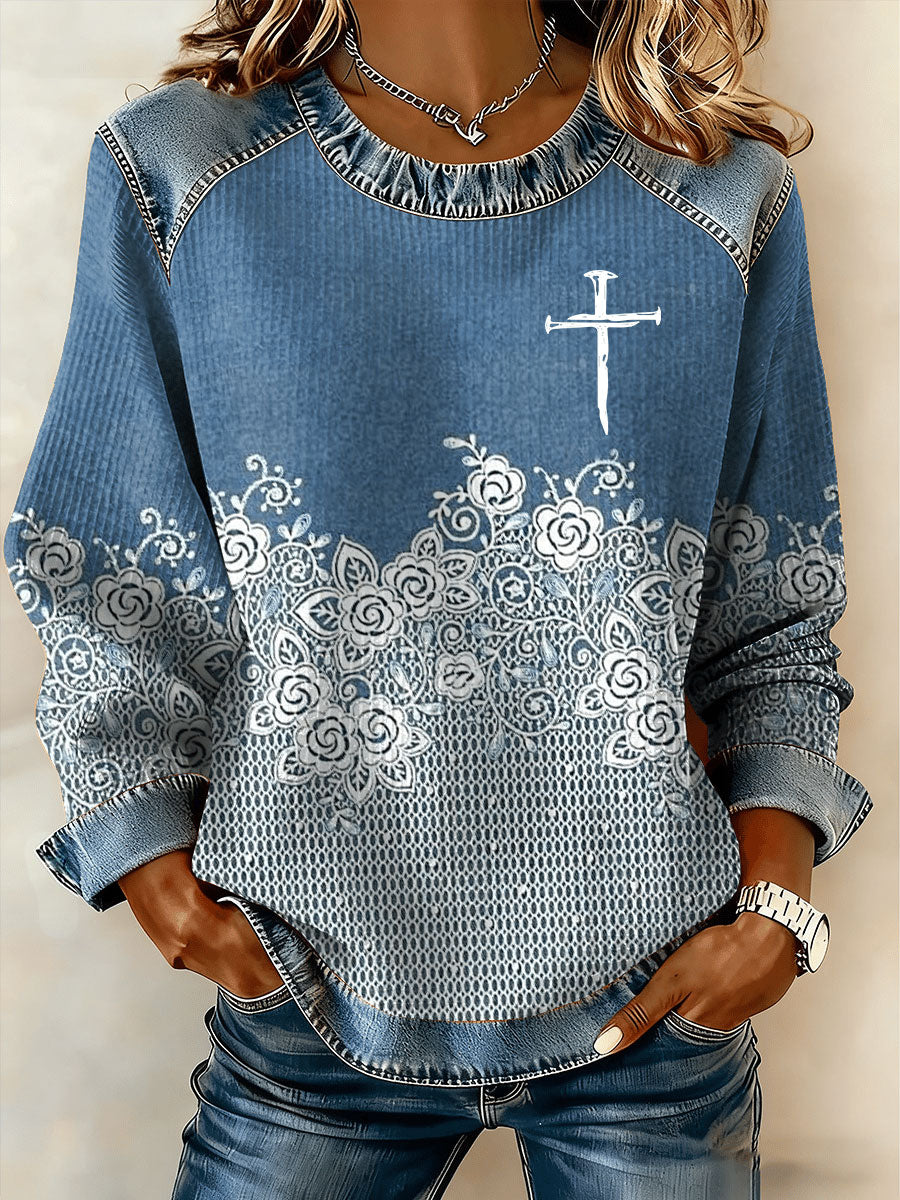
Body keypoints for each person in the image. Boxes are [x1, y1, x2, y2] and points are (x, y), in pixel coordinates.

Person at [4, 1, 874, 1196]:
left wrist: (776, 910)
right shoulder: (184, 173)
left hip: (657, 1001)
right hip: (306, 990)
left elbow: (773, 614)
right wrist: (148, 859)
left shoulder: (715, 192)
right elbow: (111, 567)